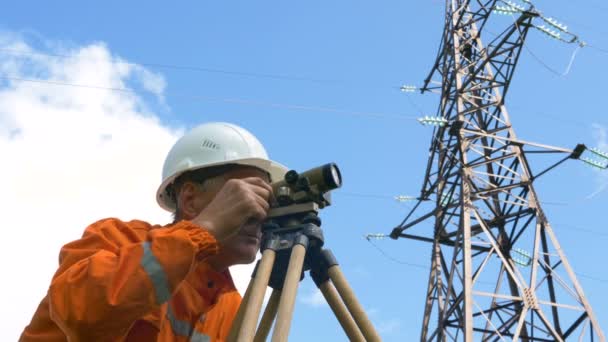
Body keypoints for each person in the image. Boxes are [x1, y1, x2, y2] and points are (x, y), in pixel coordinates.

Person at [20, 122, 288, 341]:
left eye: (266, 199)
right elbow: (83, 316)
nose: (258, 213)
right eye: (246, 194)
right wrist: (204, 230)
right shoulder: (118, 240)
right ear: (190, 199)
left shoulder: (233, 311)